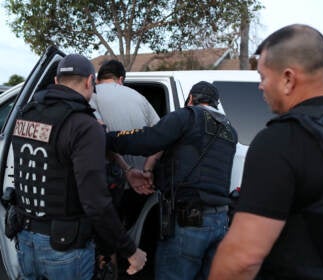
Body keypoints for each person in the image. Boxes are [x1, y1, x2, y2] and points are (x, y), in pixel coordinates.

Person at [209, 24, 323, 280]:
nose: (261, 87)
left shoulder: (282, 140)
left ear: (288, 78)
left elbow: (242, 260)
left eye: (263, 77)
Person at [11, 54, 146, 280]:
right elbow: (96, 202)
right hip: (64, 249)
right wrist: (130, 250)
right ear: (89, 82)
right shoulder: (84, 125)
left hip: (24, 238)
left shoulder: (26, 114)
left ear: (56, 81)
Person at [106, 81, 238, 280]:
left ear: (191, 98)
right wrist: (152, 170)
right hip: (220, 221)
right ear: (215, 103)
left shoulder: (187, 116)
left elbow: (148, 140)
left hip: (189, 222)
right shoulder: (229, 131)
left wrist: (107, 138)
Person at [90, 59, 160, 172]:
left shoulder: (91, 95)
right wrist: (148, 169)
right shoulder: (140, 97)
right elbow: (161, 135)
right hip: (142, 180)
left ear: (98, 79)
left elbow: (96, 137)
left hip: (110, 179)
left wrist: (127, 169)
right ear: (121, 79)